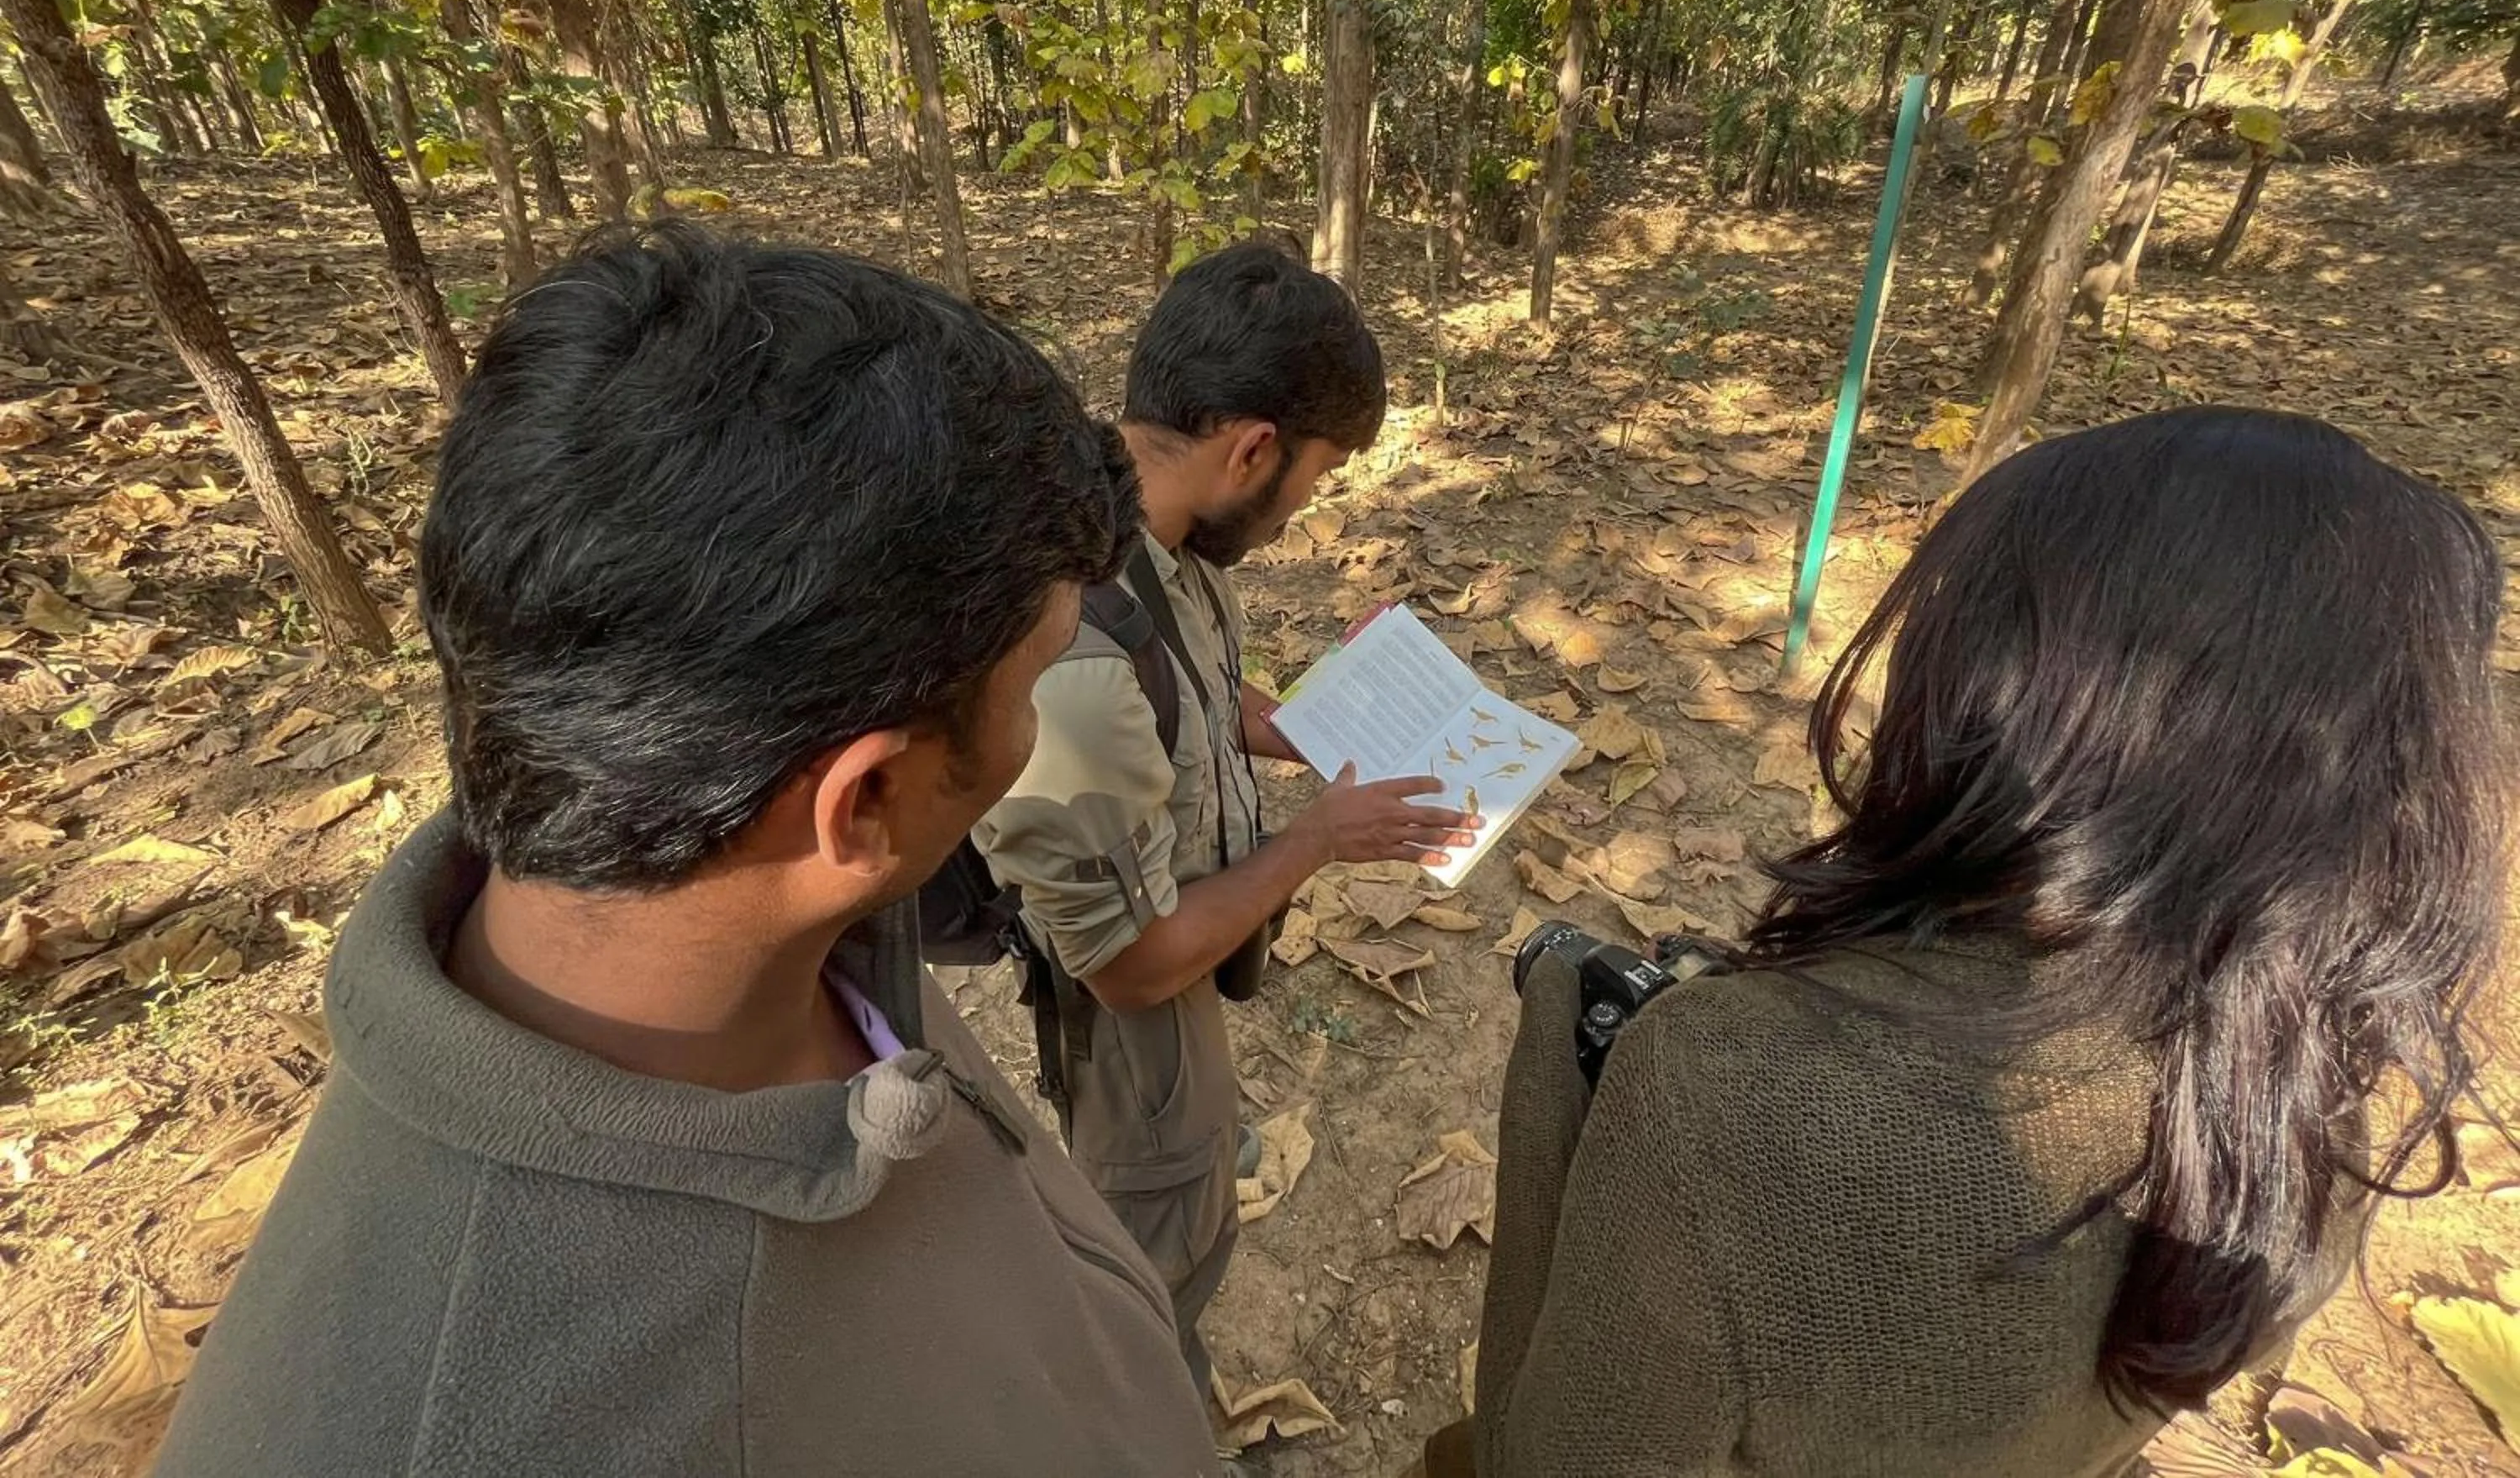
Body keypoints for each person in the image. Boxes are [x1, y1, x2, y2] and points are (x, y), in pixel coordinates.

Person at [157, 229, 1224, 1478]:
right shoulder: (466, 1435)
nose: (1036, 729)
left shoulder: (747, 910)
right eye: (1034, 683)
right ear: (865, 799)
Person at [1443, 407, 2507, 1478]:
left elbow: (1551, 1456)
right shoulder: (2304, 1098)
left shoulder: (1725, 1087)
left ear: (2015, 695)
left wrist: (1565, 1083)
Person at [973, 240, 1477, 1388]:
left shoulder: (1157, 530)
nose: (1308, 507)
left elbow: (1190, 689)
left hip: (1178, 928)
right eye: (1316, 476)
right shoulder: (1071, 659)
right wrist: (1317, 839)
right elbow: (1131, 967)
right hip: (1135, 1017)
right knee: (1158, 1257)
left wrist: (1307, 730)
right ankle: (1148, 1409)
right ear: (1252, 447)